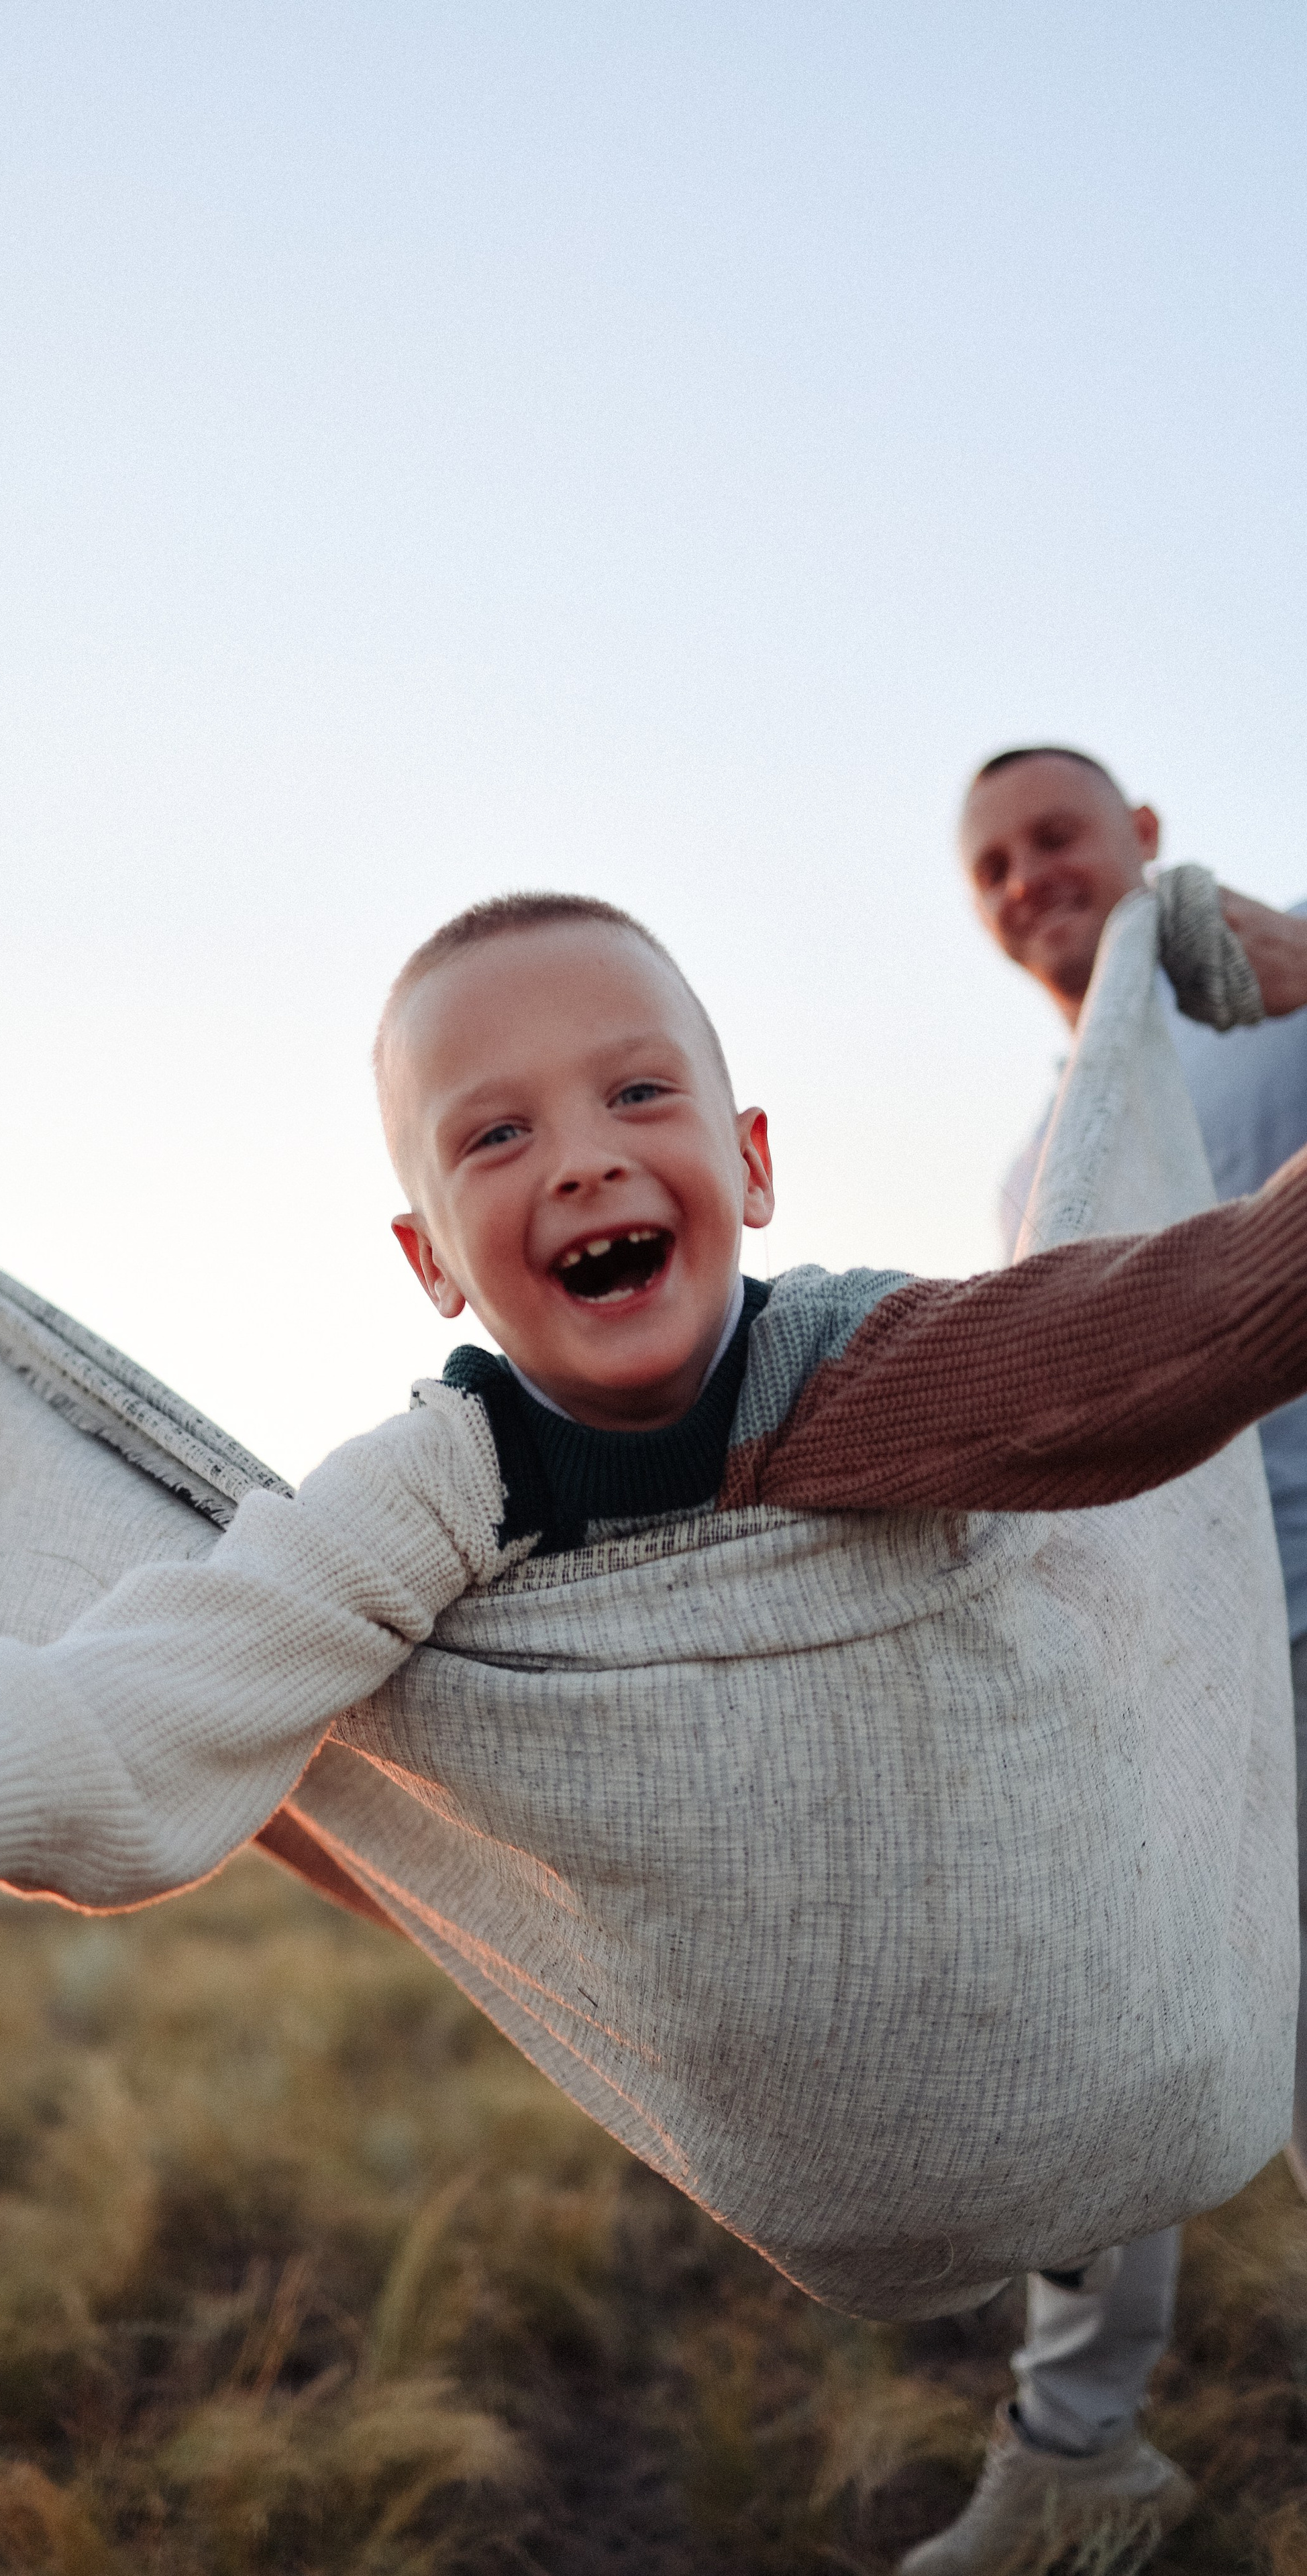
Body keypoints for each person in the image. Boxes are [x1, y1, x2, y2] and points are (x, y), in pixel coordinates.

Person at [0, 894, 1302, 2473]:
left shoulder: (856, 1365)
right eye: (496, 1135)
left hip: (1079, 2019)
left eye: (637, 1098)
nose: (577, 1164)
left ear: (750, 1162)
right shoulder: (443, 1481)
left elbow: (1172, 1331)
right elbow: (141, 1682)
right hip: (827, 2151)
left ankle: (1082, 2440)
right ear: (431, 1265)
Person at [891, 747, 1307, 2576]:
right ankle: (1078, 2465)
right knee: (1096, 2066)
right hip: (1147, 1686)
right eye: (990, 863)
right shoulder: (1029, 1167)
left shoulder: (1281, 1008)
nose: (1026, 878)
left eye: (1055, 836)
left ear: (1144, 840)